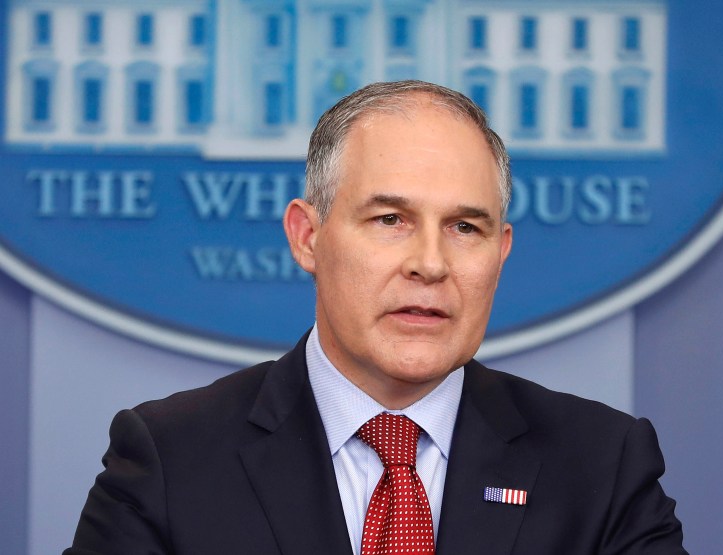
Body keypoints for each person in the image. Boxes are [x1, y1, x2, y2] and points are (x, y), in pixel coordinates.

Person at [66, 80, 686, 554]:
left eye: (465, 227)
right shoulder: (170, 459)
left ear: (500, 255)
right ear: (308, 237)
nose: (430, 264)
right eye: (391, 220)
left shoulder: (604, 465)